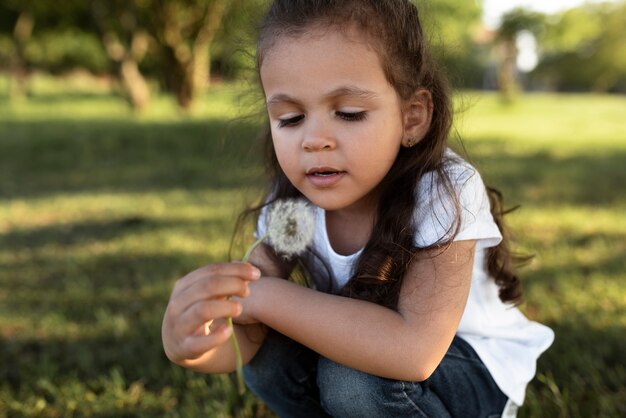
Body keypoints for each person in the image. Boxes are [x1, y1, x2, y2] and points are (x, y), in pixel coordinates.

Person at [161, 1, 554, 417]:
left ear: (411, 117)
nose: (315, 140)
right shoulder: (293, 206)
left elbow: (414, 353)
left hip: (467, 373)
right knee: (271, 359)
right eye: (291, 118)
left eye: (348, 113)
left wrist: (265, 297)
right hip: (364, 373)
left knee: (351, 379)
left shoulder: (443, 191)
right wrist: (195, 342)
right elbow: (249, 342)